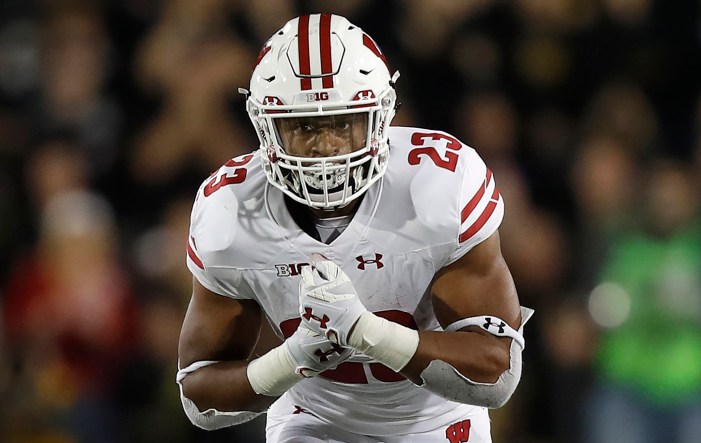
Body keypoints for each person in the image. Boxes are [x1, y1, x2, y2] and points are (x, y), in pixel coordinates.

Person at [177, 13, 533, 442]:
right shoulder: (231, 209)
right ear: (266, 127)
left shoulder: (438, 186)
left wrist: (364, 332)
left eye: (343, 123)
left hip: (436, 420)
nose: (325, 146)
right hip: (313, 419)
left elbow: (497, 374)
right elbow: (199, 398)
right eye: (304, 126)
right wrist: (292, 359)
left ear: (381, 117)